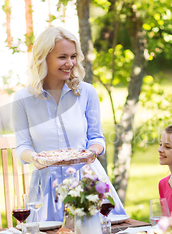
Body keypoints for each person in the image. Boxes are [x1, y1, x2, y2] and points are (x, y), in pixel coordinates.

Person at [12, 26, 126, 221]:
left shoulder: (86, 92)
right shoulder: (23, 99)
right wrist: (35, 158)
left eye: (73, 56)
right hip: (47, 184)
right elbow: (22, 145)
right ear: (44, 57)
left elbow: (97, 138)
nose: (70, 63)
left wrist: (92, 152)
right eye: (62, 57)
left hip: (87, 182)